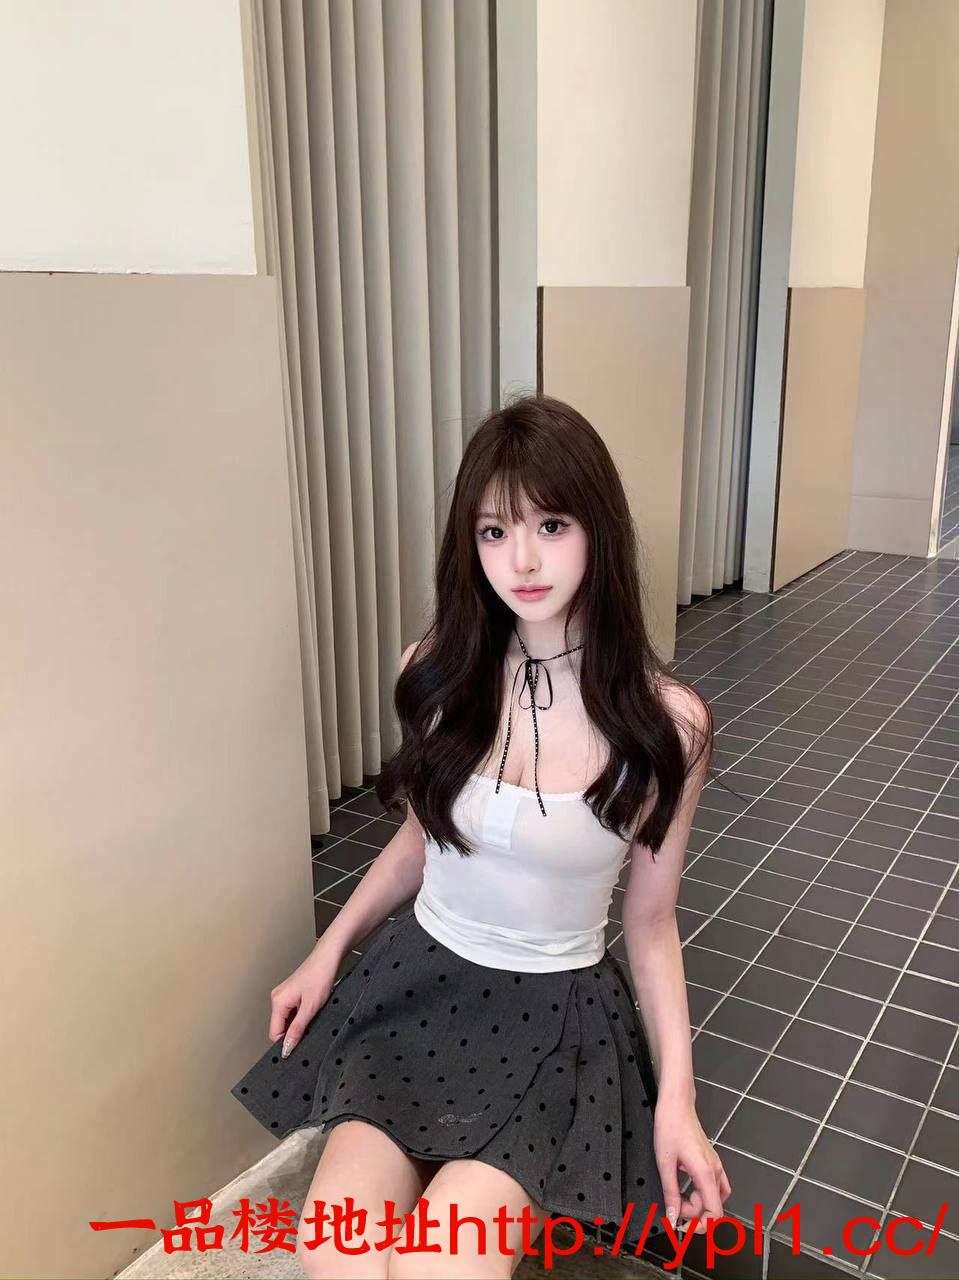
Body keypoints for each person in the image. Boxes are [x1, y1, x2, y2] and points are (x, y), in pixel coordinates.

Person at [231, 394, 731, 1278]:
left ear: (599, 530)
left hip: (553, 1017)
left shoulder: (667, 724)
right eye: (494, 532)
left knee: (440, 1267)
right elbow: (419, 844)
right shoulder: (435, 674)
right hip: (419, 986)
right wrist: (326, 954)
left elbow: (650, 923)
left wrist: (677, 1104)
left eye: (551, 525)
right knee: (334, 1252)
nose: (522, 561)